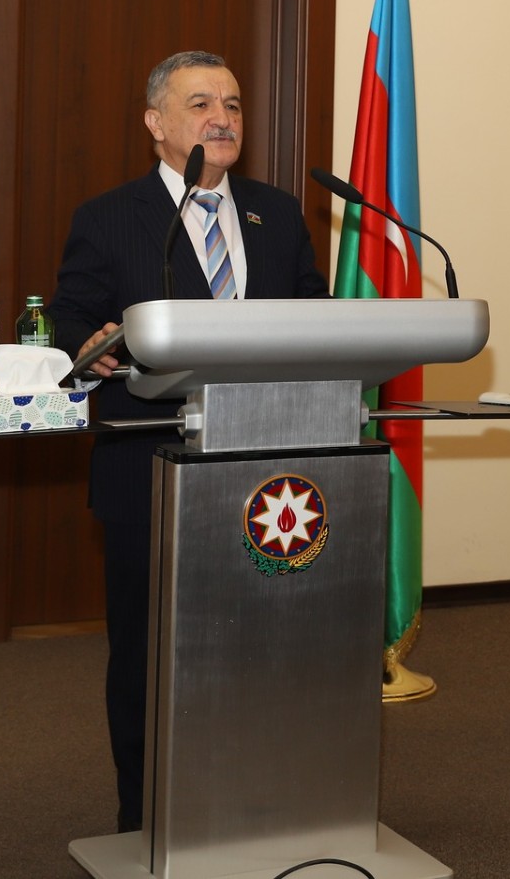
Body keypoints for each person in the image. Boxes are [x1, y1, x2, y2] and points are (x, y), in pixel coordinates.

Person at [47, 50, 329, 833]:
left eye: (232, 105)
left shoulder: (277, 213)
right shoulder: (110, 216)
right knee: (151, 657)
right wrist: (86, 344)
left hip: (269, 474)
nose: (222, 118)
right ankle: (147, 820)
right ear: (156, 122)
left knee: (265, 650)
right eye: (201, 103)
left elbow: (316, 316)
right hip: (150, 470)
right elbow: (71, 316)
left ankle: (257, 807)